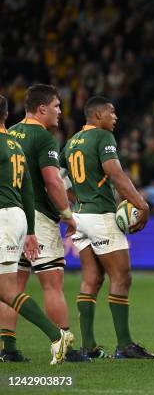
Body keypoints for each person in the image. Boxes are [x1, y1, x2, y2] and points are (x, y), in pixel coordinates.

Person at [60, 96, 154, 359]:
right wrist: (142, 205)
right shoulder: (103, 138)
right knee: (121, 276)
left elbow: (58, 183)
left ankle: (88, 347)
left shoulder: (70, 143)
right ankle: (125, 345)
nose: (115, 117)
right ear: (98, 115)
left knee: (91, 278)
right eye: (112, 113)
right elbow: (116, 175)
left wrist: (75, 203)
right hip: (101, 217)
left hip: (80, 217)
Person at [0, 84, 86, 362]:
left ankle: (9, 347)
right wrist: (67, 214)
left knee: (14, 285)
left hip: (14, 216)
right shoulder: (45, 138)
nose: (60, 111)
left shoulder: (10, 134)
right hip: (34, 217)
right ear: (42, 108)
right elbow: (51, 181)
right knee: (52, 282)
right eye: (57, 106)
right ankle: (64, 343)